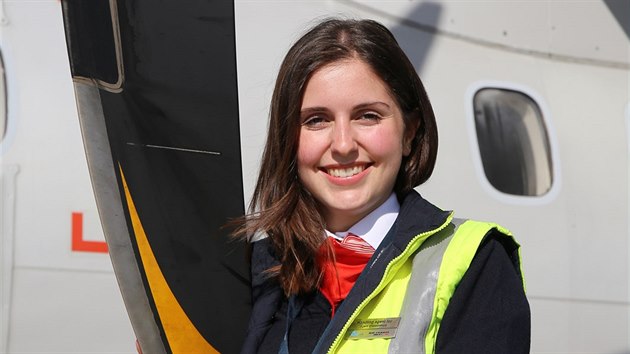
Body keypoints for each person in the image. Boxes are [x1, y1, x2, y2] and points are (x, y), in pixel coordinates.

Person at [235, 18, 530, 354]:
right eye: (317, 119)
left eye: (368, 116)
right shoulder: (257, 269)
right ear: (288, 138)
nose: (343, 144)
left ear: (409, 132)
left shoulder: (475, 263)